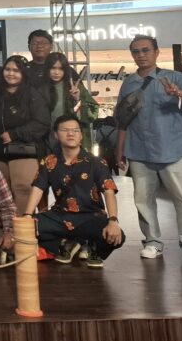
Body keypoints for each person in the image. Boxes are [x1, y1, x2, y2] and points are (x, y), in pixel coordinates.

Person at [116, 35, 182, 265]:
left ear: (156, 52)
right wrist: (119, 150)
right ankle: (152, 242)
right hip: (139, 151)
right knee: (143, 201)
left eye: (145, 50)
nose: (141, 55)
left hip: (173, 150)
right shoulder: (129, 83)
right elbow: (123, 119)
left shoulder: (174, 77)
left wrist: (178, 93)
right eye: (136, 51)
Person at [23, 115, 125, 268]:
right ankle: (64, 244)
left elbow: (109, 192)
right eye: (65, 130)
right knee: (28, 228)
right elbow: (38, 188)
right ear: (56, 135)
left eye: (75, 130)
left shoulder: (96, 162)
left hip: (90, 216)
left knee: (117, 236)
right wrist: (27, 215)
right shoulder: (49, 161)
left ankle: (93, 248)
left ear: (81, 135)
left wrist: (113, 220)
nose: (70, 134)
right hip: (60, 216)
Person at [0, 55, 50, 211]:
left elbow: (42, 123)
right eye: (7, 69)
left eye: (16, 70)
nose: (11, 73)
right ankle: (6, 225)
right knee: (2, 192)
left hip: (24, 148)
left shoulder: (32, 94)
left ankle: (22, 224)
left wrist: (14, 134)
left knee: (23, 188)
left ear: (23, 73)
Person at [42, 52, 98, 150]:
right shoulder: (40, 89)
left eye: (60, 69)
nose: (56, 72)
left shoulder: (76, 88)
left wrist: (77, 100)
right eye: (53, 68)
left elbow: (92, 115)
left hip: (73, 140)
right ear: (47, 69)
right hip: (48, 141)